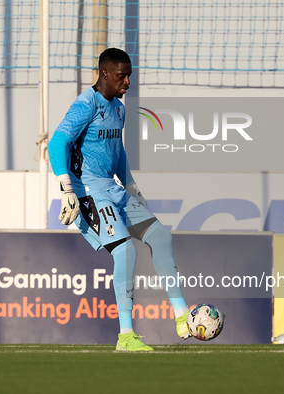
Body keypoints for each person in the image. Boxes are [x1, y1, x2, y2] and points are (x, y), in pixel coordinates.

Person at [48, 47, 190, 351]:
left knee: (160, 237)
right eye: (122, 75)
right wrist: (66, 189)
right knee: (125, 252)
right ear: (105, 73)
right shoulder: (85, 105)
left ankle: (182, 316)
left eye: (129, 76)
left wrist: (131, 185)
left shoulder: (120, 109)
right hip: (87, 191)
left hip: (113, 189)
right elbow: (57, 141)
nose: (127, 81)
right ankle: (125, 336)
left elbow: (117, 149)